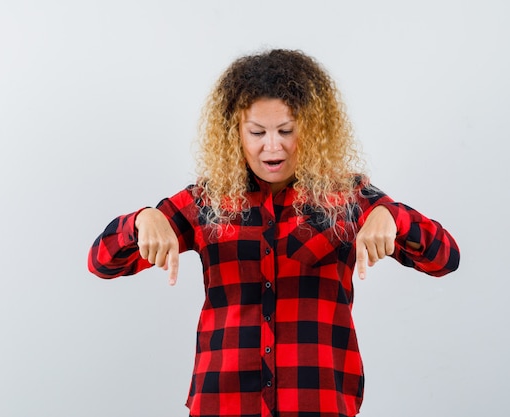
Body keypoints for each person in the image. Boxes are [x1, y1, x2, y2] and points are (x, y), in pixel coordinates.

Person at [88, 49, 460, 417]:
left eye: (286, 130)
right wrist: (143, 220)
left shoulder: (348, 198)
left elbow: (445, 259)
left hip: (318, 403)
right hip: (223, 404)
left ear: (313, 130)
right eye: (257, 132)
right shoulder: (208, 201)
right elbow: (102, 263)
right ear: (235, 133)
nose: (272, 145)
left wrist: (392, 217)